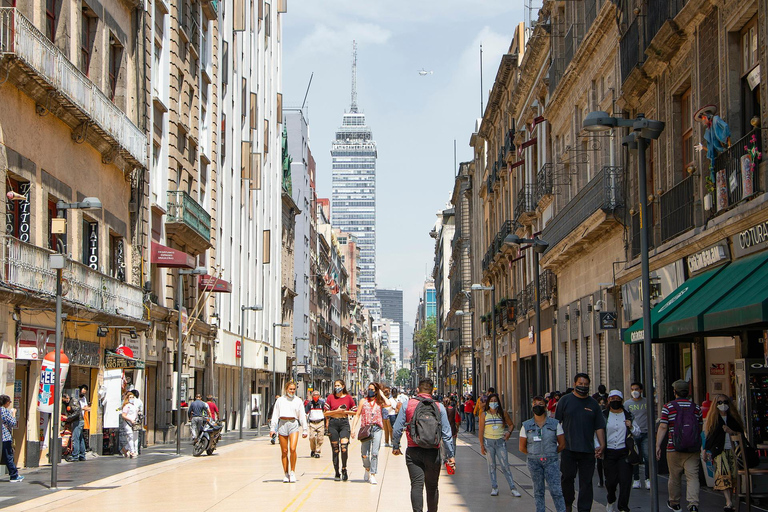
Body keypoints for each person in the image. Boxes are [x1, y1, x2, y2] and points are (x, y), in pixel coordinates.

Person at [392, 378, 455, 512]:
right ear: (432, 391)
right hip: (433, 452)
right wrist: (450, 455)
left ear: (417, 390)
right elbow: (447, 433)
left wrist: (396, 446)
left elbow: (397, 428)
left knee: (416, 485)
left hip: (413, 451)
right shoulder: (439, 407)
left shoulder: (408, 405)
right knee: (432, 487)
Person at [555, 373, 606, 512]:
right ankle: (567, 504)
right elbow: (556, 424)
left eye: (586, 384)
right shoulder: (565, 401)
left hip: (587, 450)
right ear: (574, 384)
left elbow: (599, 426)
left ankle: (584, 509)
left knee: (586, 482)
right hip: (568, 448)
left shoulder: (593, 404)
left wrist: (602, 444)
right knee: (567, 478)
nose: (583, 386)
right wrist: (556, 444)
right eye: (580, 384)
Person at [656, 380, 703, 512]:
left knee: (674, 476)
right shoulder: (696, 408)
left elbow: (663, 426)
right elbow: (699, 428)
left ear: (675, 392)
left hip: (673, 448)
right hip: (692, 449)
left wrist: (658, 445)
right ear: (688, 392)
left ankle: (674, 502)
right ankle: (693, 504)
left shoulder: (668, 407)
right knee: (692, 477)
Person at [520, 396, 566, 512]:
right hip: (534, 462)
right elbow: (522, 447)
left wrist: (551, 452)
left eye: (540, 404)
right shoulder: (526, 425)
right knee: (538, 491)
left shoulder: (555, 424)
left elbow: (562, 444)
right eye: (535, 404)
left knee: (556, 490)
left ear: (545, 407)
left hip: (551, 461)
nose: (537, 406)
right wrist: (533, 453)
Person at [703, 394, 743, 512]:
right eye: (720, 403)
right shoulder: (714, 420)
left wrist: (731, 431)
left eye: (725, 402)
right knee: (723, 474)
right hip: (719, 450)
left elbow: (741, 434)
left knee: (733, 476)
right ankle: (728, 501)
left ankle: (731, 500)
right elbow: (710, 436)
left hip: (734, 450)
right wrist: (705, 450)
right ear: (715, 405)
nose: (723, 405)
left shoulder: (733, 419)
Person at [603, 390, 640, 512]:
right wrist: (598, 446)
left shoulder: (628, 415)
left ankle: (623, 507)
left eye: (617, 399)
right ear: (608, 400)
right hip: (609, 452)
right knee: (610, 482)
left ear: (621, 400)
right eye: (612, 398)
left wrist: (631, 426)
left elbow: (638, 432)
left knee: (625, 481)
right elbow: (597, 432)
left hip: (624, 452)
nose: (615, 401)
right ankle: (611, 499)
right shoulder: (604, 415)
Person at [478, 392, 521, 497]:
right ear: (488, 402)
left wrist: (508, 433)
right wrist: (482, 445)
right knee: (491, 466)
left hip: (500, 442)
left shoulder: (503, 413)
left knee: (505, 465)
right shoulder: (484, 415)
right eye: (491, 401)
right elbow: (481, 431)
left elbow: (511, 425)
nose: (493, 402)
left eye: (495, 401)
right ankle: (494, 487)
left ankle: (513, 487)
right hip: (488, 442)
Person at [269, 381, 308, 483]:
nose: (292, 391)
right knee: (284, 451)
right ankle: (286, 473)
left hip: (293, 423)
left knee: (293, 448)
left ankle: (293, 471)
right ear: (286, 389)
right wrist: (272, 428)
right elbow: (275, 414)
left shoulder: (298, 401)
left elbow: (302, 415)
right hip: (282, 423)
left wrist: (304, 429)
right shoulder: (280, 400)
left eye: (294, 389)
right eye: (290, 389)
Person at [352, 382, 387, 485]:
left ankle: (373, 474)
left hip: (377, 428)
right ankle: (367, 468)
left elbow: (388, 403)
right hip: (365, 429)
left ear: (376, 391)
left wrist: (382, 394)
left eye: (372, 389)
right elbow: (357, 414)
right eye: (369, 389)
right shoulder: (363, 401)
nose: (370, 391)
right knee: (365, 454)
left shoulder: (379, 402)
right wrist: (353, 428)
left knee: (375, 453)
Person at [324, 379, 357, 481]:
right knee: (335, 449)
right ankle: (336, 472)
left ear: (343, 386)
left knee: (344, 447)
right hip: (333, 423)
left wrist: (345, 412)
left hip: (344, 423)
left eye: (338, 385)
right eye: (335, 385)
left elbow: (355, 411)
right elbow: (325, 413)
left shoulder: (348, 398)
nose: (336, 387)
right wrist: (336, 411)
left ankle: (344, 468)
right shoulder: (330, 397)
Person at [625, 382, 650, 490]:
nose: (634, 391)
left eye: (636, 389)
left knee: (647, 456)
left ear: (641, 390)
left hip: (646, 433)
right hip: (634, 433)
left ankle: (648, 479)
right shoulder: (627, 404)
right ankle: (636, 479)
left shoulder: (647, 402)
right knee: (634, 456)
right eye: (632, 389)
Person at [0, 394, 22, 482]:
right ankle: (14, 475)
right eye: (9, 402)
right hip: (5, 437)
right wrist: (13, 414)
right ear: (6, 402)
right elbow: (13, 423)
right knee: (8, 456)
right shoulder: (4, 411)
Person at [61, 393, 83, 462]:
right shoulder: (69, 403)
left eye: (64, 400)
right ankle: (82, 455)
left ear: (67, 398)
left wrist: (68, 418)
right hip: (77, 421)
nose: (64, 402)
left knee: (75, 438)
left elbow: (77, 412)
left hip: (77, 421)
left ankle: (75, 456)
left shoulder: (74, 401)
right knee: (80, 438)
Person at [305, 390, 325, 458]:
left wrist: (327, 422)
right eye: (314, 395)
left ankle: (317, 451)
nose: (315, 396)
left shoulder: (322, 403)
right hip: (312, 423)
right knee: (312, 437)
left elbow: (325, 412)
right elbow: (306, 413)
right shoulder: (309, 404)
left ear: (319, 396)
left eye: (317, 395)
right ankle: (313, 450)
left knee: (320, 438)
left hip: (320, 422)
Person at [119, 391, 139, 458]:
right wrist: (130, 420)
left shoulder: (134, 406)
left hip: (134, 423)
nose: (132, 398)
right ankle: (132, 452)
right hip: (128, 423)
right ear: (127, 398)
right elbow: (123, 415)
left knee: (134, 437)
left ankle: (125, 448)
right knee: (130, 436)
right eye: (130, 397)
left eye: (132, 397)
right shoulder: (126, 406)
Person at [78, 385, 91, 453]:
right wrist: (84, 408)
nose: (84, 392)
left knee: (84, 433)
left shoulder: (84, 398)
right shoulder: (77, 398)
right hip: (78, 418)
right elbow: (78, 408)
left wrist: (87, 407)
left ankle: (86, 447)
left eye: (85, 391)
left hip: (84, 418)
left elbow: (86, 406)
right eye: (83, 390)